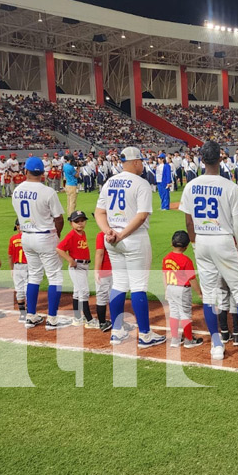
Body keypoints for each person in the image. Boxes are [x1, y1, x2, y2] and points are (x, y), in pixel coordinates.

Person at [179, 141, 238, 362]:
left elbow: (188, 222)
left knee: (210, 296)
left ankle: (217, 346)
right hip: (223, 239)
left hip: (202, 240)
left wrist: (195, 244)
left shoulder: (191, 186)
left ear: (201, 159)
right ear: (221, 158)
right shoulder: (229, 186)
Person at [94, 147, 165, 348]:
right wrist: (122, 234)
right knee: (138, 286)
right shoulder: (141, 183)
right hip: (133, 238)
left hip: (112, 238)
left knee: (119, 284)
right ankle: (145, 334)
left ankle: (116, 331)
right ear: (134, 162)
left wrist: (109, 232)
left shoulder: (109, 182)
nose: (142, 164)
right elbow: (141, 216)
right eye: (140, 161)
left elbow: (99, 212)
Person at [12, 157, 69, 330]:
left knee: (34, 276)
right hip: (45, 235)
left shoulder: (17, 190)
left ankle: (31, 316)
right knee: (55, 277)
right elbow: (59, 219)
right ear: (42, 173)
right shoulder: (47, 191)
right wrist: (56, 235)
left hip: (26, 235)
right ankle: (52, 319)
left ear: (26, 171)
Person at [56, 210, 97, 327]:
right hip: (77, 266)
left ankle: (78, 318)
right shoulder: (71, 235)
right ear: (71, 223)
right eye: (77, 221)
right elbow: (59, 249)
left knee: (77, 292)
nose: (80, 223)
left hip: (84, 265)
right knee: (84, 292)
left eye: (82, 220)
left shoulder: (82, 233)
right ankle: (89, 320)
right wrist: (70, 259)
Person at [163, 230, 203, 349]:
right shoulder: (186, 260)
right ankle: (189, 340)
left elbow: (164, 274)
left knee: (174, 313)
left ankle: (175, 339)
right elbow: (192, 279)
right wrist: (200, 293)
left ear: (172, 243)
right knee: (185, 314)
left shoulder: (166, 258)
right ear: (186, 247)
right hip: (182, 290)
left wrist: (166, 290)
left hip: (170, 287)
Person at [218, 242, 238, 346]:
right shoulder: (236, 238)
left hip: (218, 272)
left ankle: (224, 334)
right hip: (233, 271)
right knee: (236, 300)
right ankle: (237, 335)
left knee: (222, 300)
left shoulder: (214, 236)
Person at [8, 219, 28, 323]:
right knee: (28, 288)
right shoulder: (29, 238)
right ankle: (30, 313)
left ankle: (22, 315)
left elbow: (10, 256)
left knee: (19, 289)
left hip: (17, 266)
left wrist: (12, 269)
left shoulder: (13, 239)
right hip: (28, 266)